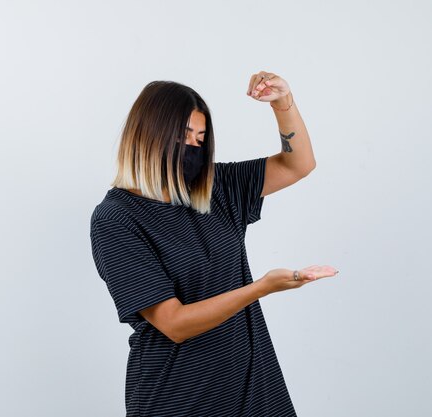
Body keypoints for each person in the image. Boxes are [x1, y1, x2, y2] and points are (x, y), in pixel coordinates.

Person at [89, 72, 339, 417]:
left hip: (252, 391)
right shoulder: (116, 219)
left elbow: (298, 164)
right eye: (183, 136)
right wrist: (260, 288)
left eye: (200, 138)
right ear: (147, 136)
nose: (193, 147)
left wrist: (283, 103)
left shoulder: (217, 189)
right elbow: (174, 323)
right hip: (179, 398)